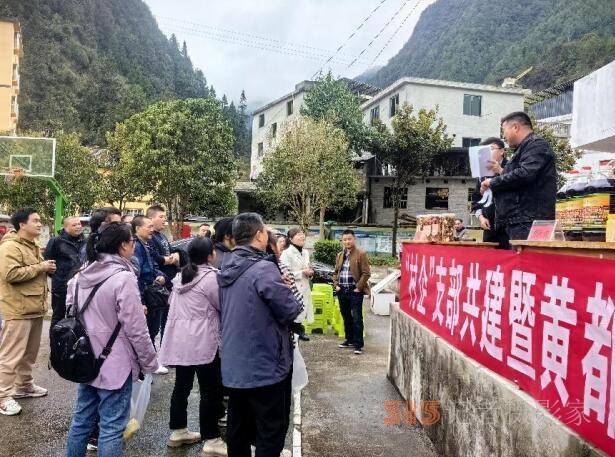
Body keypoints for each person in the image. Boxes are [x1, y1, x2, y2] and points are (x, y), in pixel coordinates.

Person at [65, 222, 159, 457]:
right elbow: (137, 329)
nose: (134, 245)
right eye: (132, 241)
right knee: (111, 427)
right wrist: (149, 363)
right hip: (115, 364)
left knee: (81, 421)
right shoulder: (123, 278)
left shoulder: (80, 276)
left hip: (85, 359)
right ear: (123, 246)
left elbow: (70, 312)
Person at [217, 213, 301, 457]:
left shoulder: (225, 265)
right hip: (265, 365)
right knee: (270, 432)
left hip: (234, 364)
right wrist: (285, 287)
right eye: (265, 230)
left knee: (239, 430)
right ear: (259, 235)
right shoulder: (263, 268)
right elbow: (290, 309)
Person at [159, 237, 227, 455]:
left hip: (181, 342)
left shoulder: (180, 277)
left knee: (182, 387)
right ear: (210, 256)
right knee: (210, 391)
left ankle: (178, 431)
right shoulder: (210, 279)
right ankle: (212, 440)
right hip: (203, 342)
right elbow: (222, 305)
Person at [0, 208, 56, 416]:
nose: (40, 224)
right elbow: (10, 274)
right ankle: (3, 396)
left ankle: (24, 386)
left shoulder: (31, 245)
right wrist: (41, 267)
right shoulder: (10, 247)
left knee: (29, 354)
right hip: (18, 308)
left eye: (40, 221)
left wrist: (44, 268)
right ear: (22, 224)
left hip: (34, 307)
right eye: (36, 221)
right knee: (11, 355)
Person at [481, 112, 557, 242]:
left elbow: (525, 174)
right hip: (519, 220)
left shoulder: (536, 144)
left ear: (515, 127)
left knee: (527, 259)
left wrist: (493, 182)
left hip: (528, 221)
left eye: (504, 131)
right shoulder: (523, 149)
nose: (503, 136)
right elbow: (515, 176)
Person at [131, 216, 168, 352]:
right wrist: (140, 301)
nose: (152, 230)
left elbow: (153, 266)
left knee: (153, 329)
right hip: (144, 294)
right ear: (137, 229)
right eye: (149, 227)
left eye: (153, 226)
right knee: (146, 331)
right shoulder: (135, 247)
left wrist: (161, 275)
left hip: (150, 292)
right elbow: (137, 276)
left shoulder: (146, 244)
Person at [332, 230, 371, 355]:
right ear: (342, 241)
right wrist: (336, 284)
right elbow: (335, 272)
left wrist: (359, 287)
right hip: (342, 290)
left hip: (355, 292)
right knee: (346, 316)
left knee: (357, 318)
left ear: (354, 239)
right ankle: (349, 339)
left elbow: (366, 273)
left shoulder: (361, 254)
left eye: (349, 239)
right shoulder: (340, 255)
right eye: (344, 239)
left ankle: (358, 344)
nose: (347, 241)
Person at [45, 216, 85, 329]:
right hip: (61, 288)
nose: (78, 227)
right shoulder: (56, 241)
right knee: (58, 318)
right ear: (66, 227)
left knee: (78, 317)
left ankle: (72, 344)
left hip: (81, 287)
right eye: (74, 225)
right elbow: (48, 263)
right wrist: (60, 277)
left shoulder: (85, 241)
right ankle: (56, 345)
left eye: (79, 224)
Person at [146, 205, 179, 343]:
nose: (164, 220)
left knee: (167, 321)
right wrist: (167, 259)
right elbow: (155, 259)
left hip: (168, 286)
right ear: (151, 218)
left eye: (165, 217)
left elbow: (172, 251)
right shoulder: (149, 237)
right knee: (153, 327)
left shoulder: (162, 236)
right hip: (157, 288)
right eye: (161, 217)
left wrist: (175, 255)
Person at [471, 137, 509, 248]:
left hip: (508, 226)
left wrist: (501, 171)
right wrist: (481, 217)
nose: (487, 153)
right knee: (489, 260)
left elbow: (517, 186)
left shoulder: (511, 167)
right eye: (484, 150)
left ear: (502, 151)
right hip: (489, 226)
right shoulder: (482, 172)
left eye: (491, 149)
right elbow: (476, 198)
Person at [279, 228, 313, 341]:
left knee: (302, 312)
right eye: (298, 234)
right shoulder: (286, 253)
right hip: (294, 288)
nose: (302, 236)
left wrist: (310, 272)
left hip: (305, 286)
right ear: (291, 238)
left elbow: (307, 267)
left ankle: (298, 331)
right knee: (294, 313)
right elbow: (284, 274)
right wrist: (302, 272)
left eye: (303, 234)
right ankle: (295, 332)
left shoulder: (306, 252)